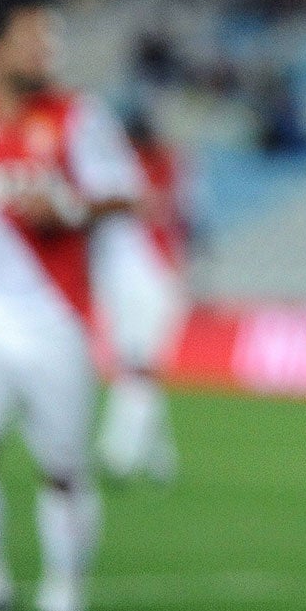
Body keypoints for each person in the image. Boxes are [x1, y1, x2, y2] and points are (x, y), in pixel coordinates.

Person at [0, 0, 143, 611]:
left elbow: (127, 192)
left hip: (55, 315)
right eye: (33, 39)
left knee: (63, 468)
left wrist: (71, 209)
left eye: (50, 40)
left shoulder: (79, 116)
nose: (46, 52)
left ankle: (63, 598)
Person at [91, 111, 190, 482]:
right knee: (142, 368)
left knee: (136, 369)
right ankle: (159, 461)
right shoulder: (167, 165)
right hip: (152, 274)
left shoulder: (140, 168)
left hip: (145, 275)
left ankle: (119, 454)